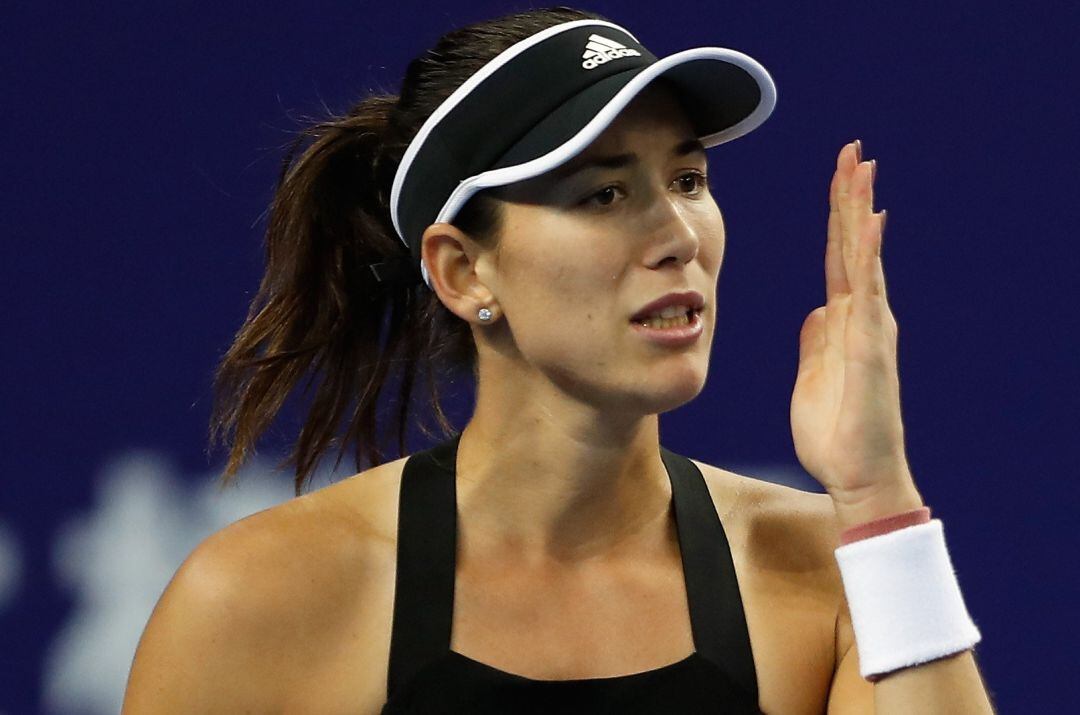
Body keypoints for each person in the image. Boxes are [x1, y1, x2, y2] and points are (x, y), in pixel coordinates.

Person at [122, 7, 995, 713]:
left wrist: (880, 497)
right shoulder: (259, 600)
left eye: (688, 180)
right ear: (463, 271)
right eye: (605, 192)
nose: (678, 235)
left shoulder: (833, 568)